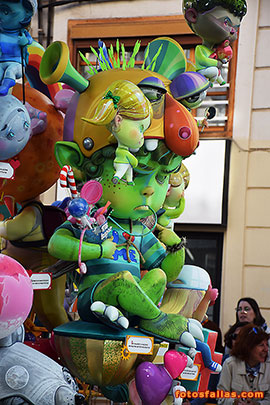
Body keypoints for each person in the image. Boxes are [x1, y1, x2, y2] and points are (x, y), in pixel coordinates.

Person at [82, 80, 153, 185]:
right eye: (140, 129)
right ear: (118, 121)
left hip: (121, 162)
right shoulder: (123, 151)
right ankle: (118, 176)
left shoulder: (121, 148)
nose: (142, 136)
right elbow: (134, 162)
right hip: (121, 163)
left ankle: (129, 180)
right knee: (125, 168)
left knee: (128, 169)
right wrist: (135, 162)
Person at [217, 324, 270, 405]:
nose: (266, 349)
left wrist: (257, 404)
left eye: (267, 345)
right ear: (248, 347)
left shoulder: (268, 366)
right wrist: (235, 402)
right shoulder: (230, 364)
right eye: (261, 345)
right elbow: (221, 397)